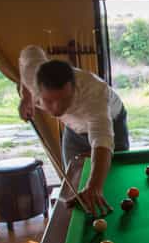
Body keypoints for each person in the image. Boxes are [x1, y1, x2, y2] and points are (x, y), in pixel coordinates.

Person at [18, 46, 129, 215]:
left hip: (112, 121)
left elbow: (102, 139)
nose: (56, 108)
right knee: (72, 179)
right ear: (38, 89)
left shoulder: (94, 91)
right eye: (49, 101)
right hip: (74, 127)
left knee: (112, 178)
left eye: (64, 99)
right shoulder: (32, 74)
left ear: (74, 88)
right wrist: (25, 97)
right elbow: (30, 51)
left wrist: (94, 186)